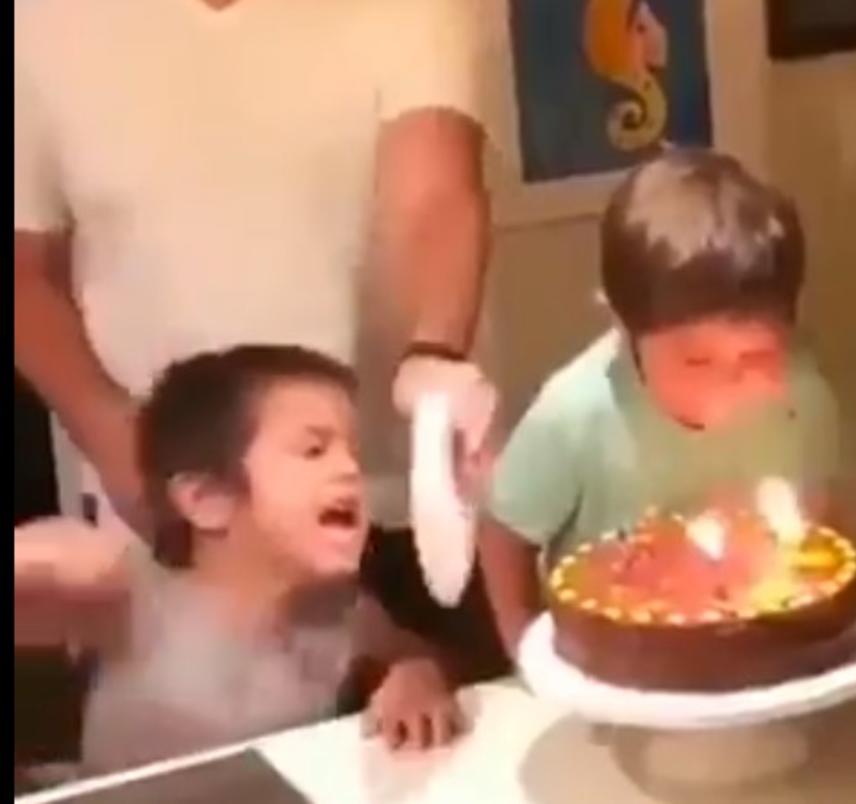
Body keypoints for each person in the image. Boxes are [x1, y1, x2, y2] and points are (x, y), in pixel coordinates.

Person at [14, 0, 506, 687]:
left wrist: (434, 357)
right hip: (175, 529)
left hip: (398, 510)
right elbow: (25, 271)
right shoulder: (41, 22)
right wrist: (114, 437)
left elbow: (433, 196)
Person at [15, 346, 465, 775]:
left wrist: (416, 676)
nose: (350, 470)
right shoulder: (127, 590)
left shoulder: (343, 613)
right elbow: (47, 567)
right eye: (314, 450)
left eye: (354, 453)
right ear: (207, 499)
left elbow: (413, 654)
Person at [478, 149, 843, 657]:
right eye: (697, 361)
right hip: (614, 669)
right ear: (625, 327)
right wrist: (528, 649)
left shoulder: (801, 399)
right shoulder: (576, 413)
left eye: (757, 355)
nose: (727, 382)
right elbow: (504, 533)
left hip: (758, 661)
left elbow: (824, 529)